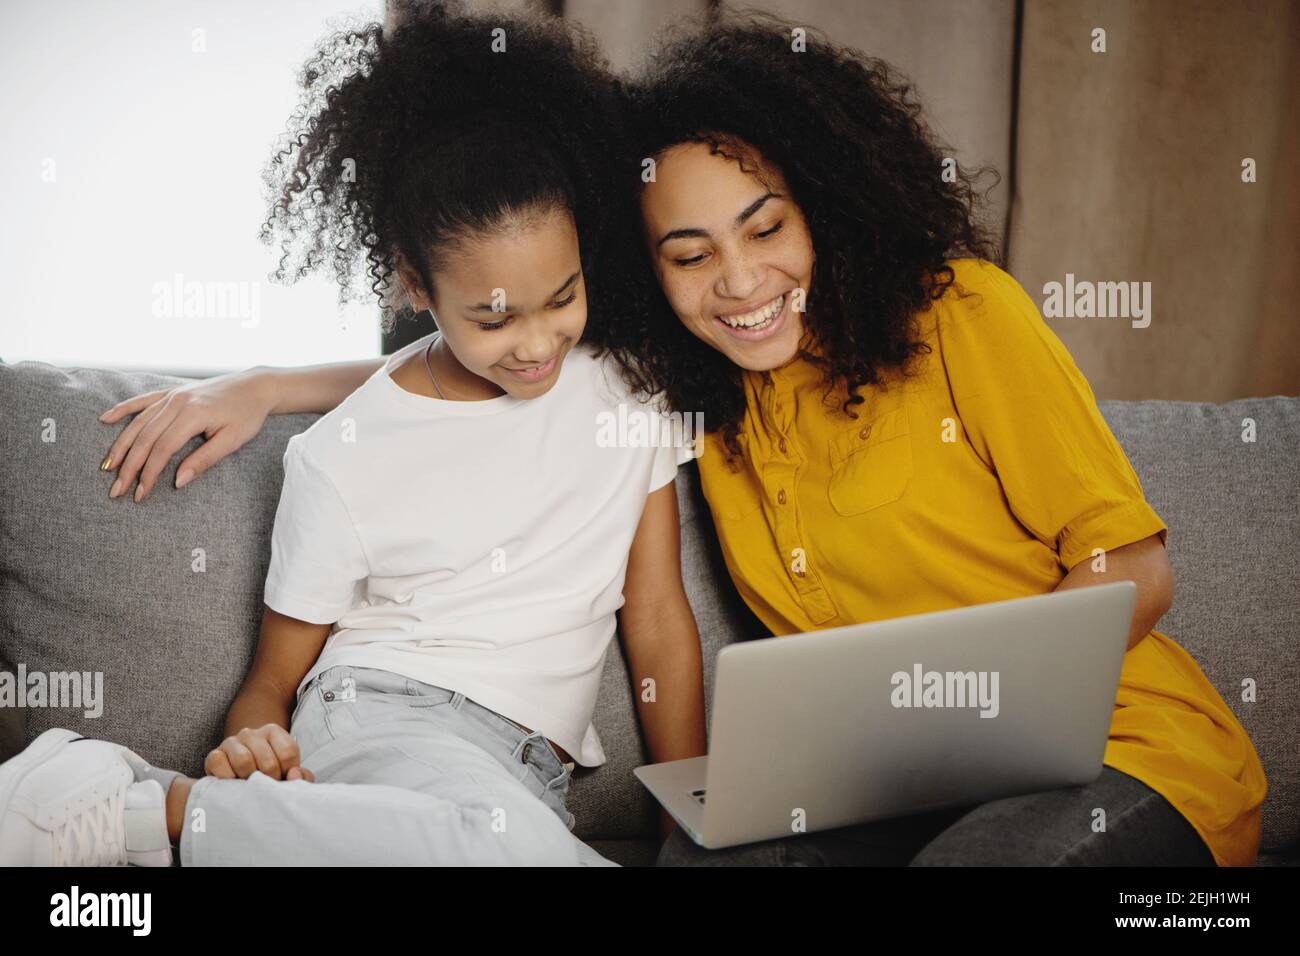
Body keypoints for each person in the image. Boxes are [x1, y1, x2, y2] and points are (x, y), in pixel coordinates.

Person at [79, 11, 1268, 867]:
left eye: (765, 229)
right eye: (689, 255)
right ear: (646, 276)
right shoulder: (693, 393)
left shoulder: (961, 313)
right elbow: (483, 364)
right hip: (885, 786)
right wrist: (266, 382)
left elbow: (1135, 565)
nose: (742, 283)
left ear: (827, 208)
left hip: (1117, 754)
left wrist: (966, 692)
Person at [0, 1, 705, 867]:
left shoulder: (629, 388)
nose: (536, 343)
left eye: (562, 298)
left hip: (520, 785)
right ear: (416, 286)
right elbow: (271, 684)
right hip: (379, 717)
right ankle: (151, 801)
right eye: (495, 319)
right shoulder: (340, 457)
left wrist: (690, 823)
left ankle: (197, 821)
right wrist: (254, 749)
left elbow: (662, 619)